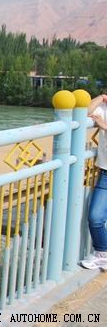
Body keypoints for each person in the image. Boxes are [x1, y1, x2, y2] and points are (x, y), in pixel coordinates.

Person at [81, 93, 107, 269]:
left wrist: (104, 125)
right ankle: (102, 254)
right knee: (95, 218)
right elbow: (83, 113)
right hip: (105, 173)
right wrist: (102, 97)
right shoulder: (103, 109)